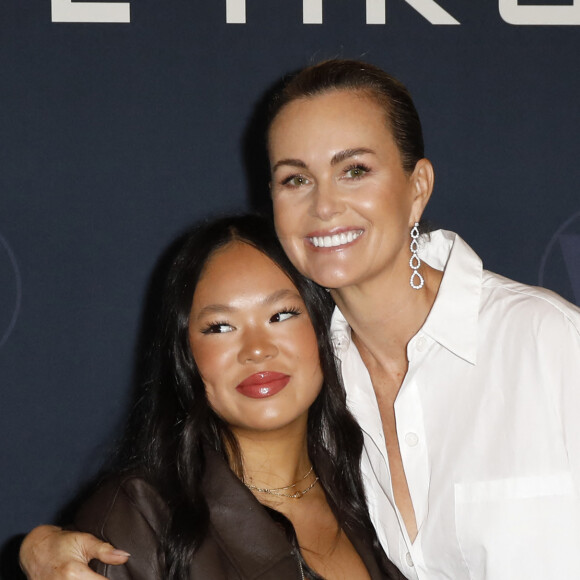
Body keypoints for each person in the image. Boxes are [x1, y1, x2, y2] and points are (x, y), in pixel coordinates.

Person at [20, 60, 580, 579]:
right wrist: (40, 550)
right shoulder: (316, 373)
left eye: (354, 169)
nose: (324, 205)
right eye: (296, 178)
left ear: (418, 188)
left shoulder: (546, 341)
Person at [21, 214, 403, 580]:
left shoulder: (380, 486)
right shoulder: (142, 518)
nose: (256, 349)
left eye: (281, 315)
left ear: (325, 326)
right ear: (187, 357)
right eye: (220, 327)